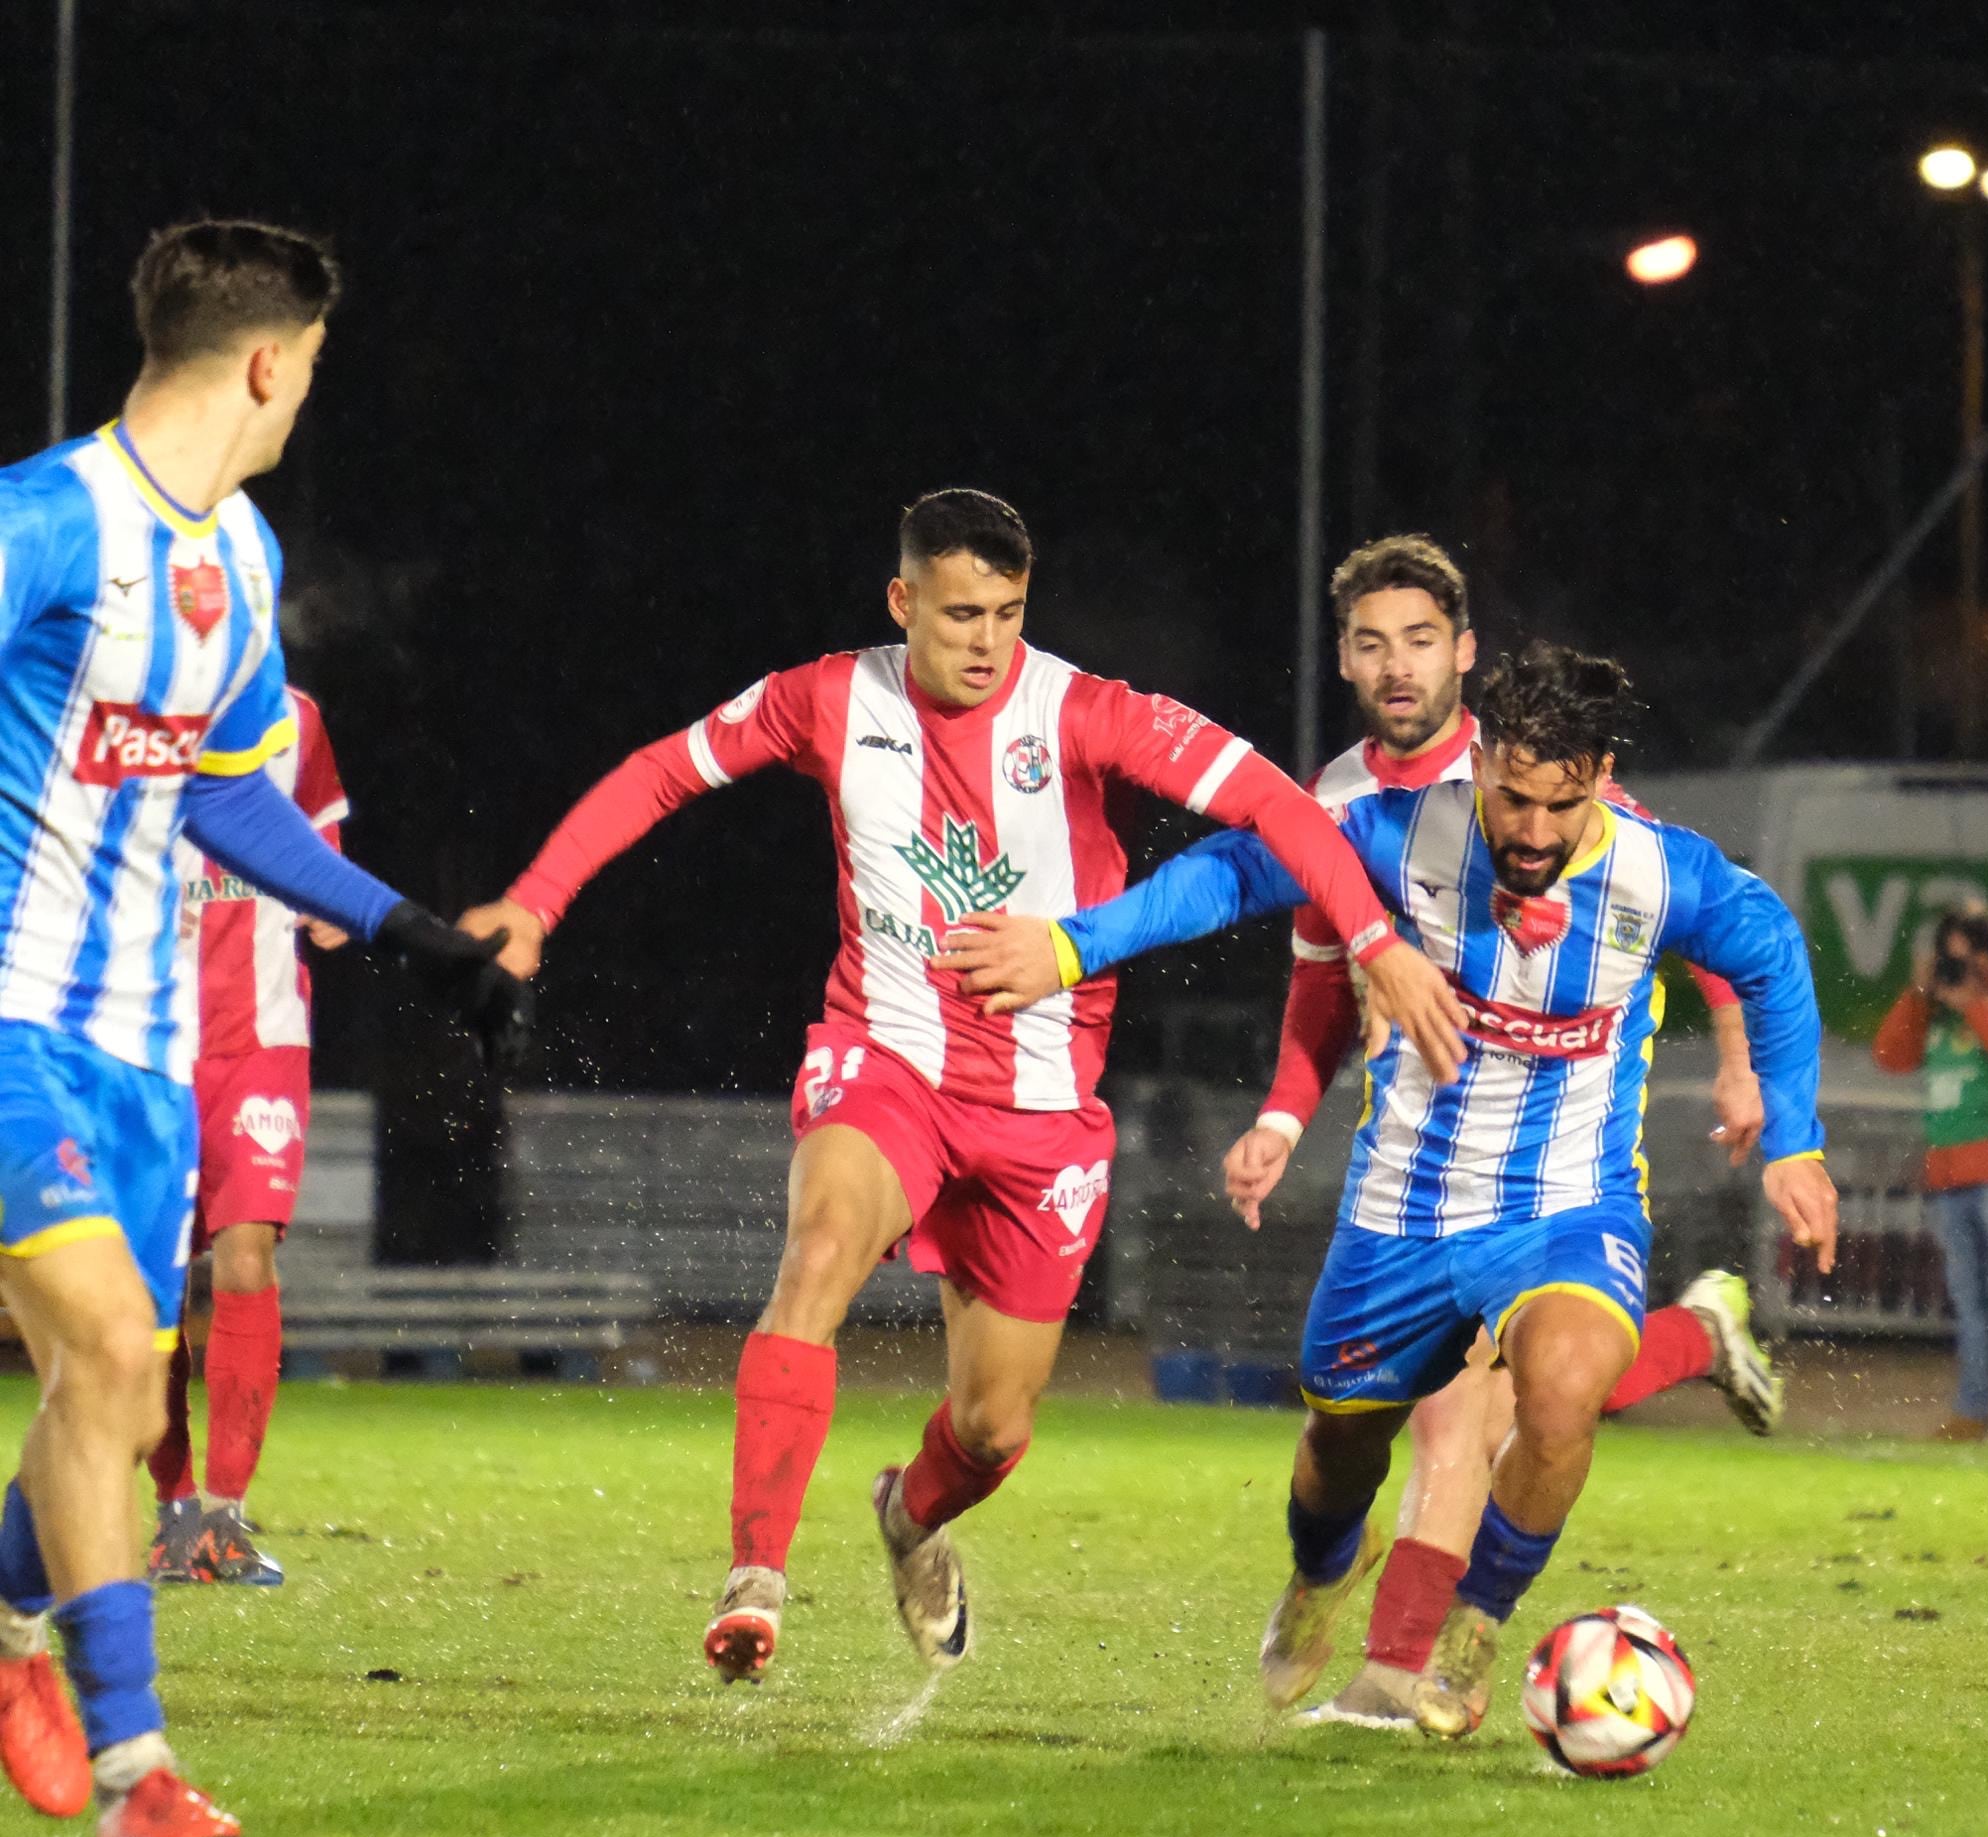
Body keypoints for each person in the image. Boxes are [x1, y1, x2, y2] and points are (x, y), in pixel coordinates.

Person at [457, 490, 1465, 1687]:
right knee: (821, 1245)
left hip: (1042, 1110)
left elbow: (1274, 806)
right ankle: (755, 1577)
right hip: (886, 1058)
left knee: (992, 1429)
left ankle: (910, 1515)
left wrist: (1374, 939)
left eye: (1007, 612)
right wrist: (537, 898)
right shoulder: (827, 699)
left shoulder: (1088, 713)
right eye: (959, 613)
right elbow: (659, 773)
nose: (986, 640)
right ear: (902, 602)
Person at [952, 642, 1838, 1740]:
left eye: (1560, 807)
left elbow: (1773, 955)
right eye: (1511, 797)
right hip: (1403, 1213)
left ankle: (1472, 1634)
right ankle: (1323, 1573)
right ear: (1484, 764)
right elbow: (1236, 868)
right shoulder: (1400, 832)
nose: (1530, 831)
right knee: (1339, 1451)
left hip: (1569, 1202)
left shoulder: (1666, 874)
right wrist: (1074, 947)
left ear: (1601, 778)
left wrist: (1797, 1136)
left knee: (1562, 1393)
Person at [0, 220, 529, 1837]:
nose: (307, 393)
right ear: (264, 362)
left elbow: (233, 791)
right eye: (310, 367)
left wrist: (408, 932)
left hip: (154, 1055)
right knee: (98, 1346)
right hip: (16, 1024)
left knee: (126, 1382)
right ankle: (139, 1769)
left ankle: (19, 1615)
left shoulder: (237, 546)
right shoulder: (44, 518)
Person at [1219, 535, 1784, 1731]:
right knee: (1406, 1424)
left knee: (1480, 1421)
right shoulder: (1337, 807)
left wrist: (1743, 1067)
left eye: (1420, 639)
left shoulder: (1565, 787)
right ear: (1344, 659)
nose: (1397, 665)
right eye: (1372, 642)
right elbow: (1323, 977)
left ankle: (1411, 1668)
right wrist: (1282, 1112)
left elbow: (1697, 921)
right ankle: (1694, 1329)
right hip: (1413, 1163)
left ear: (1464, 658)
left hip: (1544, 1176)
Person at [146, 686, 350, 1587]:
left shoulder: (296, 718)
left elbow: (324, 847)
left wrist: (334, 903)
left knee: (246, 1255)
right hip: (143, 1039)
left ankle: (226, 1517)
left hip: (261, 1039)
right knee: (149, 1285)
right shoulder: (124, 712)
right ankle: (176, 1511)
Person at [1870, 900, 1988, 1445]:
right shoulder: (1937, 1005)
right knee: (1968, 1299)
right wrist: (1918, 993)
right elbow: (1891, 1054)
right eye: (1949, 960)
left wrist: (1976, 1002)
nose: (1960, 971)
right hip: (1951, 1168)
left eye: (1968, 959)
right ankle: (1972, 1411)